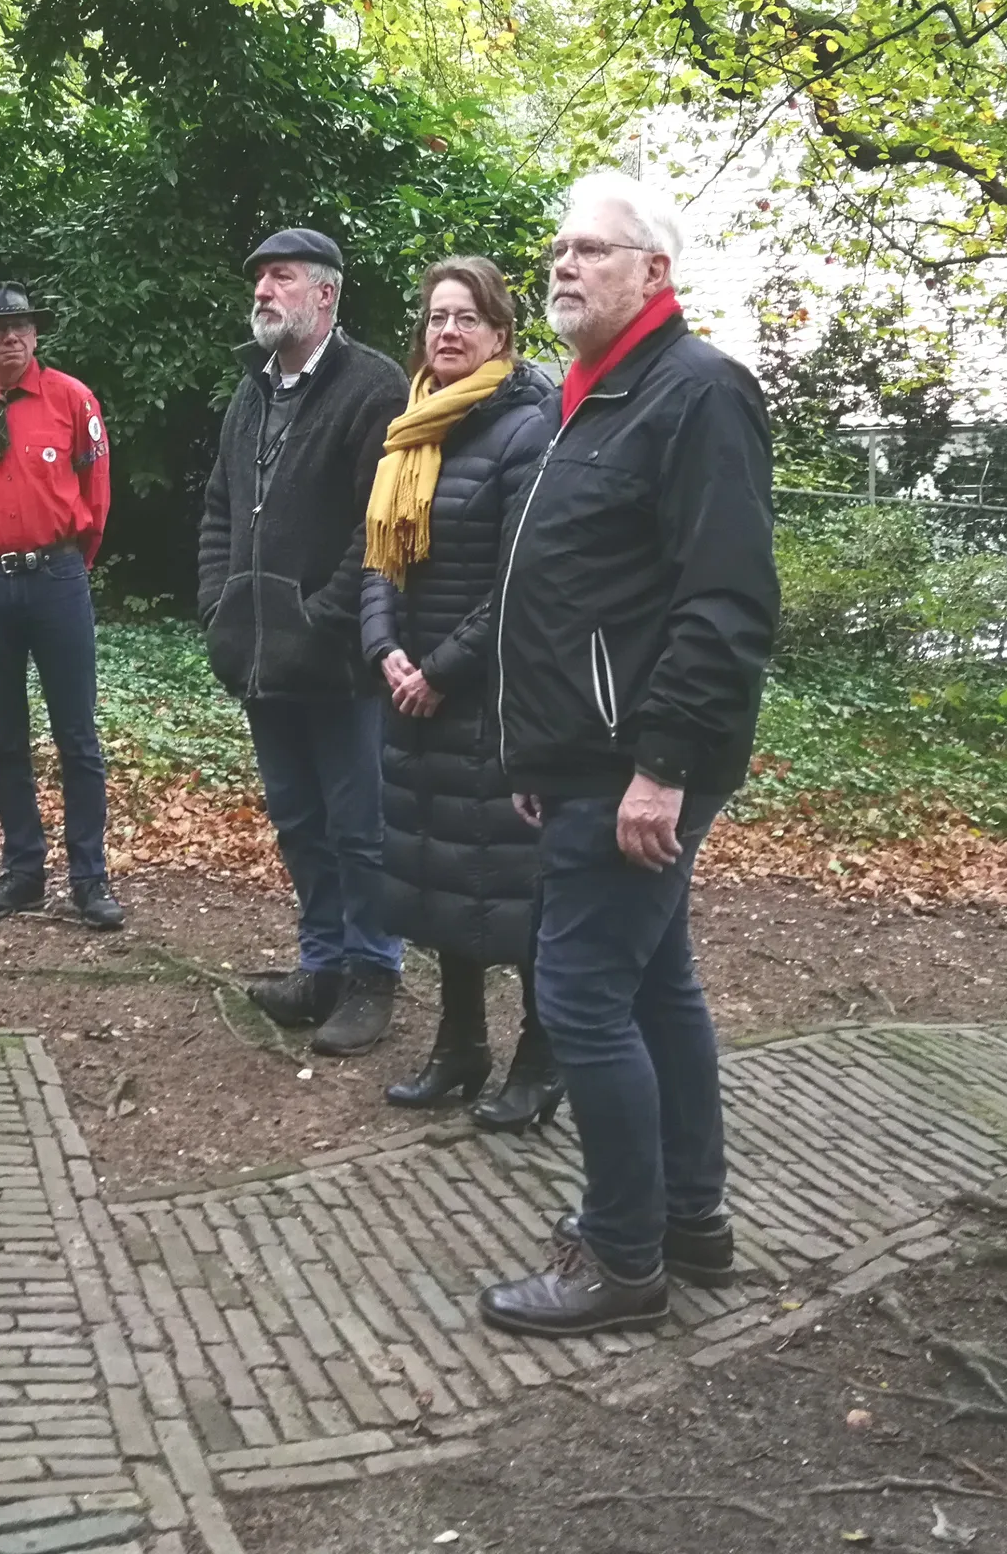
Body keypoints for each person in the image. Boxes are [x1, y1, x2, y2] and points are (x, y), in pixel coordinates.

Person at [477, 171, 780, 1339]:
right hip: (581, 756)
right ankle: (690, 1219)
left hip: (636, 769)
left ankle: (620, 1254)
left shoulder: (696, 394)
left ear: (655, 273)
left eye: (592, 250)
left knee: (582, 996)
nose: (564, 266)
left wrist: (663, 766)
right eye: (556, 248)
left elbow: (725, 604)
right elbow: (562, 596)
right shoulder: (583, 398)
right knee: (656, 984)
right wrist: (533, 746)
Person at [358, 257, 559, 1121]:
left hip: (490, 699)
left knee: (515, 887)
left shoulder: (529, 427)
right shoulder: (413, 428)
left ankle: (542, 1057)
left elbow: (524, 578)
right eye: (437, 316)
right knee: (439, 881)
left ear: (500, 336)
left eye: (466, 318)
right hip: (413, 694)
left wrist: (441, 669)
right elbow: (379, 557)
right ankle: (460, 1044)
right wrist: (383, 651)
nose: (447, 331)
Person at [199, 230, 409, 1056]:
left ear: (325, 294)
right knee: (297, 819)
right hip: (260, 658)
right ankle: (321, 965)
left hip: (338, 658)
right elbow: (219, 509)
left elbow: (379, 523)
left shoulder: (374, 386)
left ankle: (371, 973)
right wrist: (219, 604)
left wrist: (320, 615)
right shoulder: (251, 393)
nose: (263, 291)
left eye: (280, 278)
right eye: (258, 279)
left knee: (361, 825)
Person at [0, 283, 123, 931]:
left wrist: (66, 564)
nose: (12, 337)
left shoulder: (73, 400)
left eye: (22, 326)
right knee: (3, 736)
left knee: (77, 735)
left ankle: (90, 878)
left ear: (37, 335)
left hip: (56, 579)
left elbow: (96, 496)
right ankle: (23, 872)